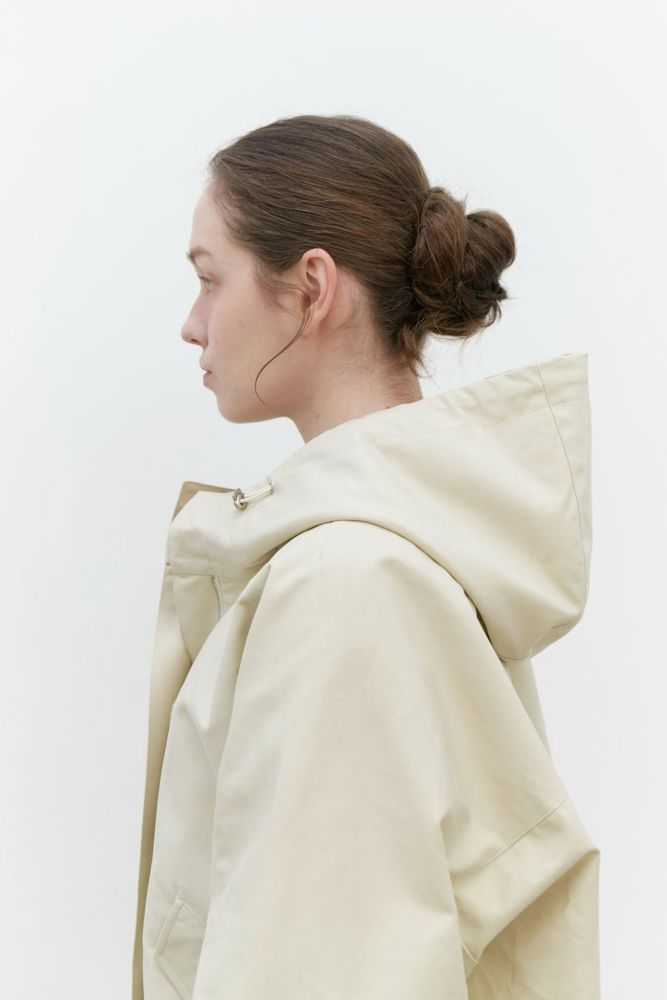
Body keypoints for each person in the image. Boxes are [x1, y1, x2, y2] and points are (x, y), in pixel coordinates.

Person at [132, 114, 600, 999]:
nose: (192, 325)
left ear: (311, 288)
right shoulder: (412, 541)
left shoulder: (342, 582)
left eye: (209, 279)